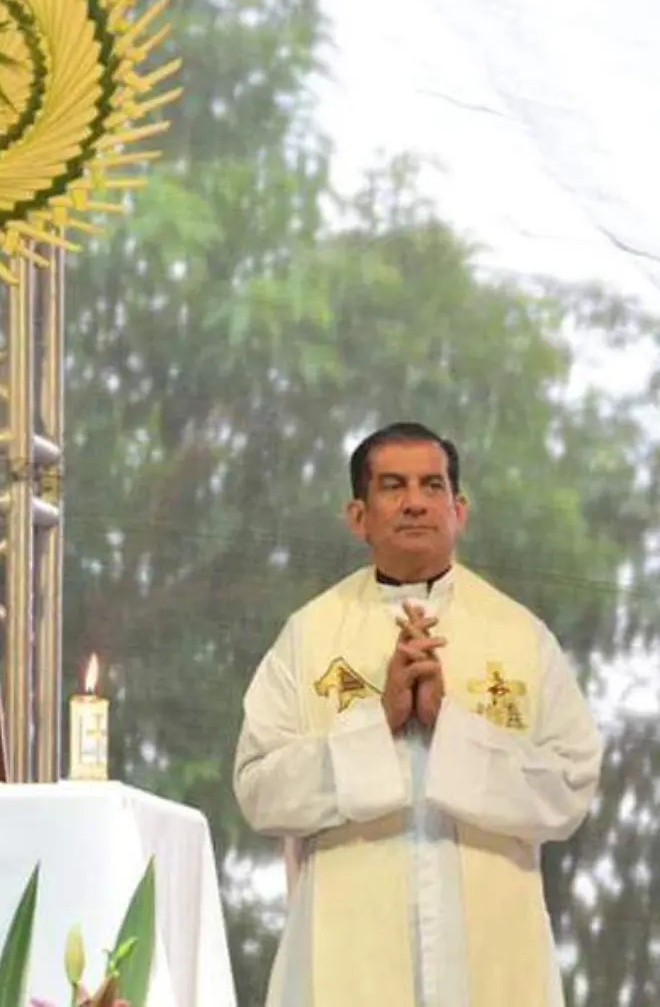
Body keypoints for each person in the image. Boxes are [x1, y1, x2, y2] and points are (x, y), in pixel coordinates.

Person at [233, 422, 603, 1007]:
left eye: (432, 486)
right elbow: (257, 790)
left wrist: (449, 726)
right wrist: (375, 725)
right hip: (346, 955)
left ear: (459, 510)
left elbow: (571, 787)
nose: (414, 502)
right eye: (393, 486)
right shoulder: (308, 636)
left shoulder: (520, 636)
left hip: (492, 955)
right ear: (358, 515)